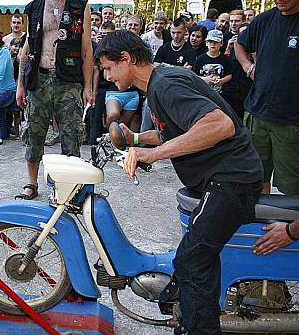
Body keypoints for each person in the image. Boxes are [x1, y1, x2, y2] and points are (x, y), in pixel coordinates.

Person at [97, 29, 263, 335]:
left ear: (127, 59)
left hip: (231, 179)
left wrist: (153, 155)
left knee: (191, 259)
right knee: (198, 253)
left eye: (108, 68)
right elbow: (176, 130)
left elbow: (219, 125)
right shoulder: (159, 82)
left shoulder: (167, 84)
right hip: (220, 177)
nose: (107, 76)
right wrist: (134, 138)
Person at [15, 0, 94, 200]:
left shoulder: (81, 5)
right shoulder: (35, 6)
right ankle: (31, 183)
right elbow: (27, 48)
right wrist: (20, 84)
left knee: (71, 134)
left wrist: (88, 87)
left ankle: (67, 186)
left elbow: (87, 49)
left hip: (68, 81)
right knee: (33, 132)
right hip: (38, 79)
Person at [235, 0, 299, 195]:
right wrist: (248, 66)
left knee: (293, 189)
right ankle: (259, 225)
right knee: (255, 177)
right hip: (257, 114)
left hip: (293, 122)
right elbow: (239, 43)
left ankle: (290, 228)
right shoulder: (266, 19)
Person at [192, 30, 234, 113]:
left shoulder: (225, 59)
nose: (213, 44)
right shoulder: (200, 59)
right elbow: (194, 76)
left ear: (221, 43)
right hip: (203, 94)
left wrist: (222, 81)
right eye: (210, 41)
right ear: (206, 43)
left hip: (220, 95)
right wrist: (205, 79)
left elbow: (229, 75)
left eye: (216, 42)